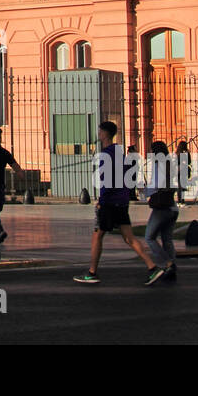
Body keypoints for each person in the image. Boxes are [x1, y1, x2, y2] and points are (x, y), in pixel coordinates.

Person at [74, 121, 166, 286]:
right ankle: (152, 267)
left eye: (100, 131)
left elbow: (106, 180)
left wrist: (101, 201)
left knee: (97, 236)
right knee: (129, 238)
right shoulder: (119, 153)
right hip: (121, 201)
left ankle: (92, 272)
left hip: (110, 202)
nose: (98, 134)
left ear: (105, 134)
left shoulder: (106, 154)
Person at [144, 141, 179, 281]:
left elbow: (156, 185)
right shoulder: (170, 164)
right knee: (167, 239)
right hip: (172, 207)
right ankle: (172, 265)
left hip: (162, 208)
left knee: (149, 237)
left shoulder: (159, 165)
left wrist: (145, 191)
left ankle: (168, 263)